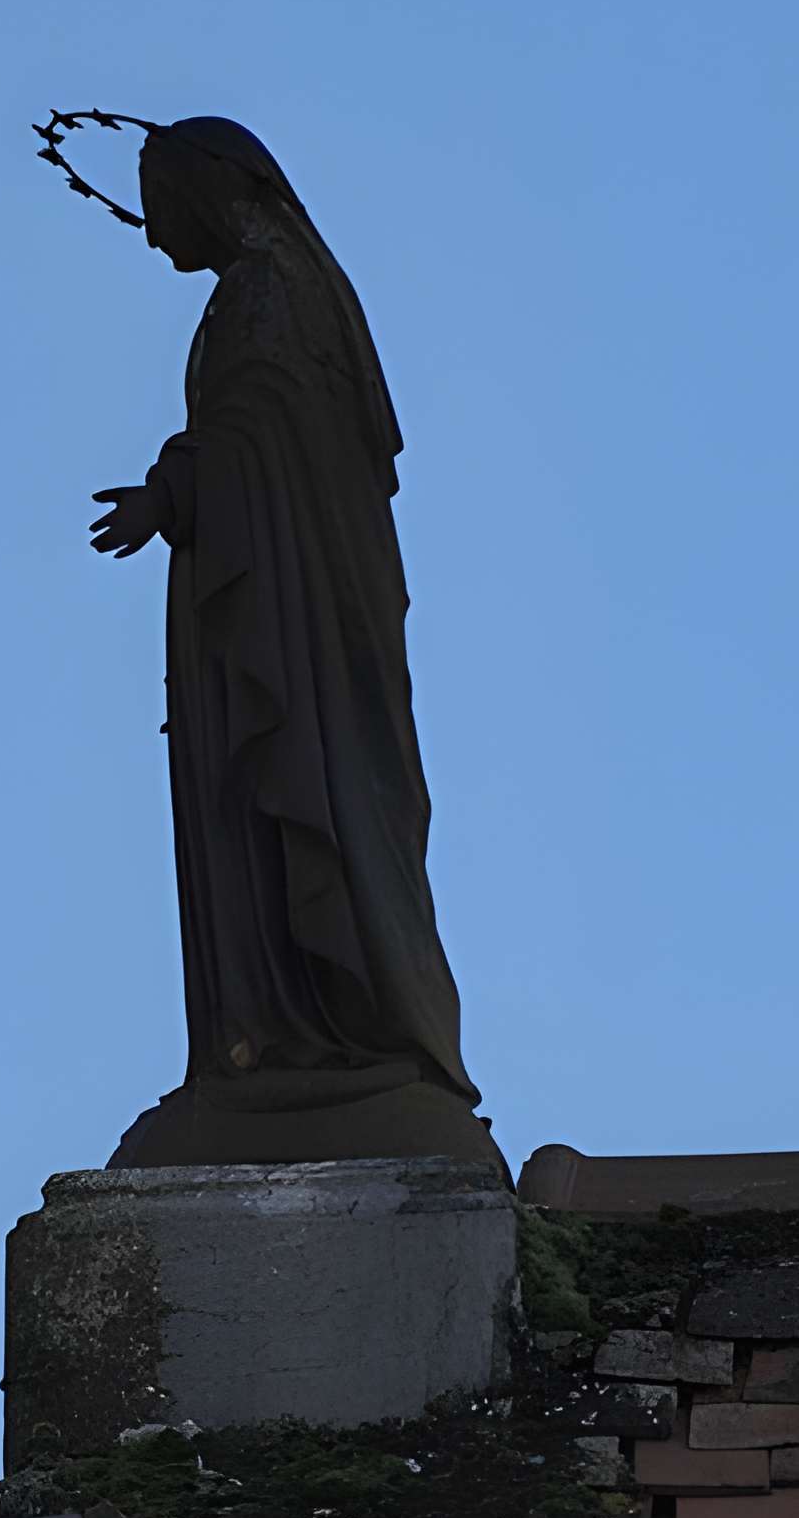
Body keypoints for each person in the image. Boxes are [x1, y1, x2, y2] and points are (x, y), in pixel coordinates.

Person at [89, 117, 501, 1172]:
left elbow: (268, 432)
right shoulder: (277, 286)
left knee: (307, 790)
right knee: (272, 817)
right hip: (273, 586)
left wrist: (173, 491)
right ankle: (274, 1034)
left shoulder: (273, 289)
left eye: (157, 206)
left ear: (209, 187)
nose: (148, 237)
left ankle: (329, 1033)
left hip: (292, 604)